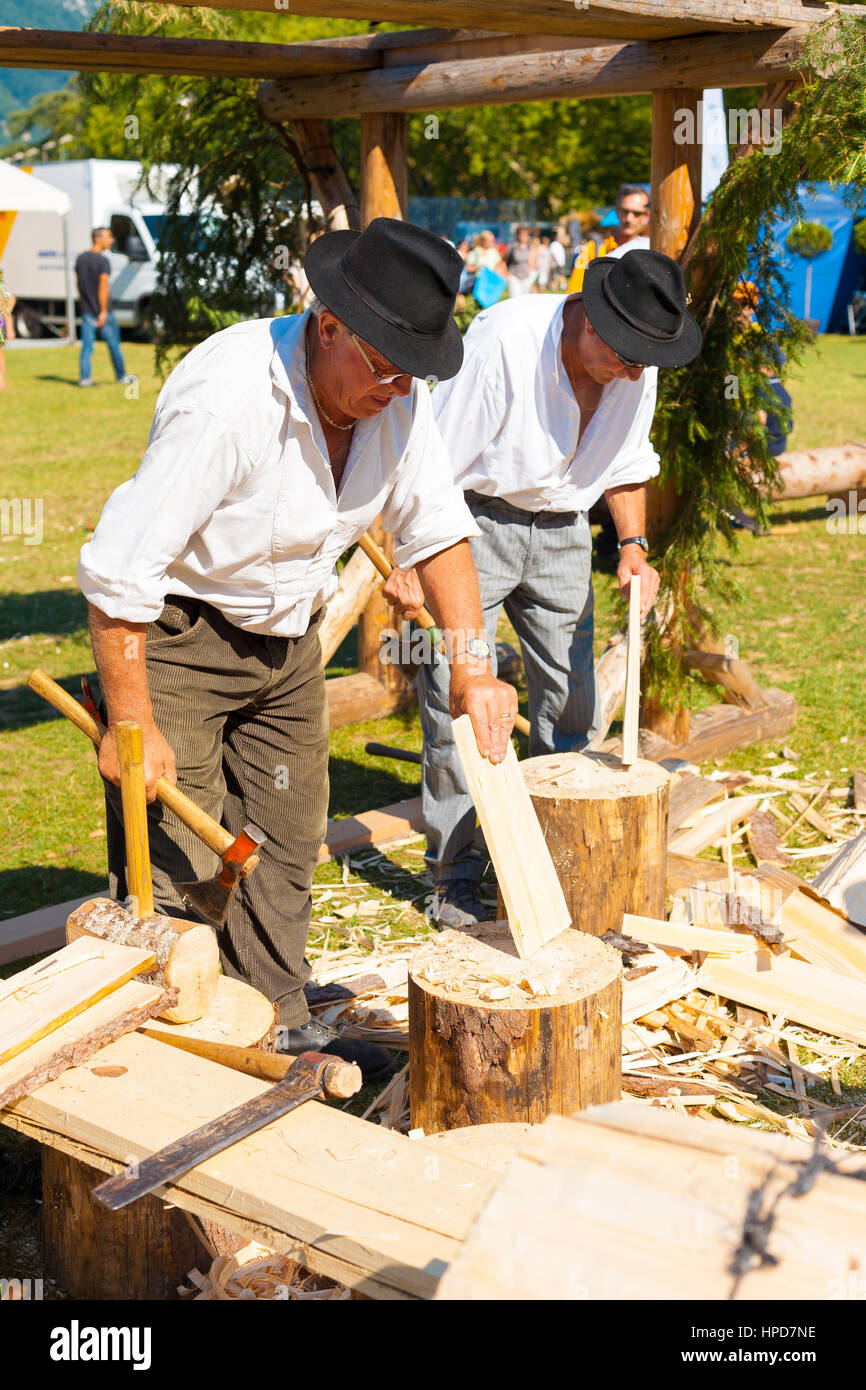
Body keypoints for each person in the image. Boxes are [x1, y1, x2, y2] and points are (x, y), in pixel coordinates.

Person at [78, 218, 518, 1079]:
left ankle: (277, 1021)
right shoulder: (228, 401)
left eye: (411, 371)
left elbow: (437, 530)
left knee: (285, 832)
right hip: (178, 633)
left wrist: (471, 664)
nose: (397, 389)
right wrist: (132, 724)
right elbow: (118, 572)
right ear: (327, 327)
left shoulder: (396, 397)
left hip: (286, 641)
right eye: (385, 366)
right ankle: (177, 1039)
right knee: (184, 852)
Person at [406, 250, 702, 926]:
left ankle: (553, 845)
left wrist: (632, 545)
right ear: (591, 323)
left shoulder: (637, 360)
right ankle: (454, 873)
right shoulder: (503, 341)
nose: (635, 373)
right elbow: (436, 462)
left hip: (567, 524)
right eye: (627, 357)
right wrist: (415, 560)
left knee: (573, 696)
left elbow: (627, 463)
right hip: (472, 521)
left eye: (645, 362)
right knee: (459, 694)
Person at [567, 185, 651, 293]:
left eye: (636, 213)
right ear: (616, 211)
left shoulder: (650, 251)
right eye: (625, 211)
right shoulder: (593, 249)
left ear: (647, 216)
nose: (629, 218)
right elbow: (574, 295)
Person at [75, 226, 129, 388]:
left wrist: (84, 303)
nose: (112, 240)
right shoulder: (102, 261)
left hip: (86, 310)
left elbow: (80, 284)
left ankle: (85, 379)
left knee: (87, 347)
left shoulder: (81, 259)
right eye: (109, 237)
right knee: (114, 346)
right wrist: (103, 311)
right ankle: (121, 376)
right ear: (98, 239)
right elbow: (103, 287)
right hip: (102, 312)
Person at [505, 225, 537, 297]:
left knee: (525, 299)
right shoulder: (512, 246)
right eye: (522, 235)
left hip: (526, 277)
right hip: (514, 276)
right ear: (517, 235)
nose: (524, 237)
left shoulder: (530, 247)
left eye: (525, 235)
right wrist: (506, 274)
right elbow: (504, 260)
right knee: (515, 298)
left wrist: (532, 278)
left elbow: (531, 263)